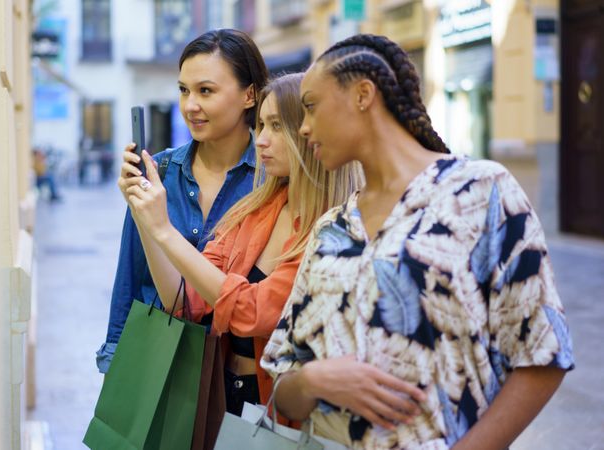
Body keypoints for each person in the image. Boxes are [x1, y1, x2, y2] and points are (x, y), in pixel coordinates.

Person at [261, 34, 574, 449]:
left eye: (312, 107)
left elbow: (543, 354)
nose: (303, 127)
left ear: (362, 95)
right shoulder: (331, 230)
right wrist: (315, 380)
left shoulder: (481, 192)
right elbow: (282, 383)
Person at [122, 73, 364, 414]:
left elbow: (253, 312)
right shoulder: (256, 211)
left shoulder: (334, 229)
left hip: (284, 412)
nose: (262, 140)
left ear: (311, 131)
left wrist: (164, 230)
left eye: (278, 126)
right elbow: (183, 300)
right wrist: (146, 218)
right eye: (262, 125)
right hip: (223, 400)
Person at [95, 29, 269, 373]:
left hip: (234, 376)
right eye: (183, 90)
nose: (190, 106)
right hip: (158, 366)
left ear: (249, 95)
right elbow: (130, 275)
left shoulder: (269, 180)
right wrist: (115, 361)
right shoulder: (157, 170)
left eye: (206, 91)